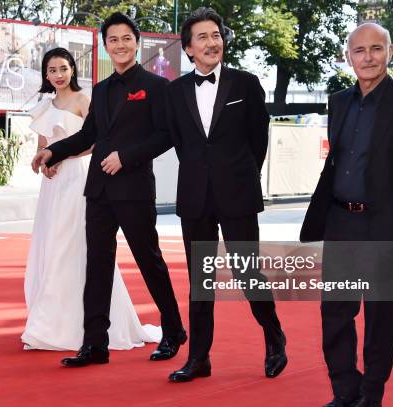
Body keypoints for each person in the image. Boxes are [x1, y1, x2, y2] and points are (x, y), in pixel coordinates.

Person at [116, 7, 288, 382]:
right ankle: (199, 358)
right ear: (189, 48)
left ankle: (274, 339)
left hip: (238, 194)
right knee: (201, 280)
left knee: (247, 273)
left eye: (217, 35)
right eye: (203, 38)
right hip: (195, 197)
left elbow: (258, 140)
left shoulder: (246, 83)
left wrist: (239, 176)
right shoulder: (175, 91)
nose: (212, 43)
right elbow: (177, 140)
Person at [32, 12, 186, 367]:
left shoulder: (157, 86)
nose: (120, 45)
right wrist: (52, 150)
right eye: (113, 40)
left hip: (133, 188)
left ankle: (174, 329)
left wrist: (126, 157)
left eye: (126, 38)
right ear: (105, 46)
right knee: (97, 266)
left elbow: (165, 135)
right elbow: (88, 136)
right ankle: (95, 344)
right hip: (98, 190)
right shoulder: (100, 90)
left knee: (150, 261)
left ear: (137, 42)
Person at [300, 23, 393, 407]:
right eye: (359, 50)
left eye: (375, 49)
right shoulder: (340, 101)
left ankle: (371, 395)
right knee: (336, 315)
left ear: (390, 52)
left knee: (381, 320)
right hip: (341, 223)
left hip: (387, 230)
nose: (367, 57)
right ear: (349, 56)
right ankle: (345, 391)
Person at [21, 47, 161, 350]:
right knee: (51, 244)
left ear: (73, 69)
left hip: (79, 179)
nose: (58, 75)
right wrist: (44, 161)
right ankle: (50, 321)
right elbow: (43, 143)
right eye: (52, 71)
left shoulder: (87, 99)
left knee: (77, 247)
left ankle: (83, 326)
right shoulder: (45, 106)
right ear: (46, 75)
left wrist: (63, 155)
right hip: (53, 185)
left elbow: (95, 139)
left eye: (63, 68)